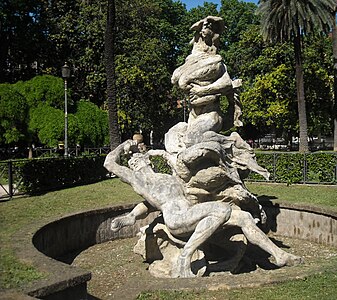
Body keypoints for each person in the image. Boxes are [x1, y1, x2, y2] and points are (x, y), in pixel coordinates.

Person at [104, 140, 303, 278]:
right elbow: (109, 162)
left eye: (142, 156)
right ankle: (185, 257)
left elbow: (149, 205)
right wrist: (123, 146)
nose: (141, 158)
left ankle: (279, 255)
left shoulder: (163, 178)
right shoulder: (138, 179)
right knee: (222, 211)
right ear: (132, 165)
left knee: (242, 217)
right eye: (136, 159)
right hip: (177, 219)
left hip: (191, 213)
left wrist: (131, 216)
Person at [171, 16, 242, 146]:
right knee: (173, 136)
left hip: (211, 115)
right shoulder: (192, 60)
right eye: (203, 27)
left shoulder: (218, 63)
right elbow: (176, 79)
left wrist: (202, 90)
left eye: (209, 27)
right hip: (194, 115)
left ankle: (232, 140)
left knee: (191, 140)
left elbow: (226, 83)